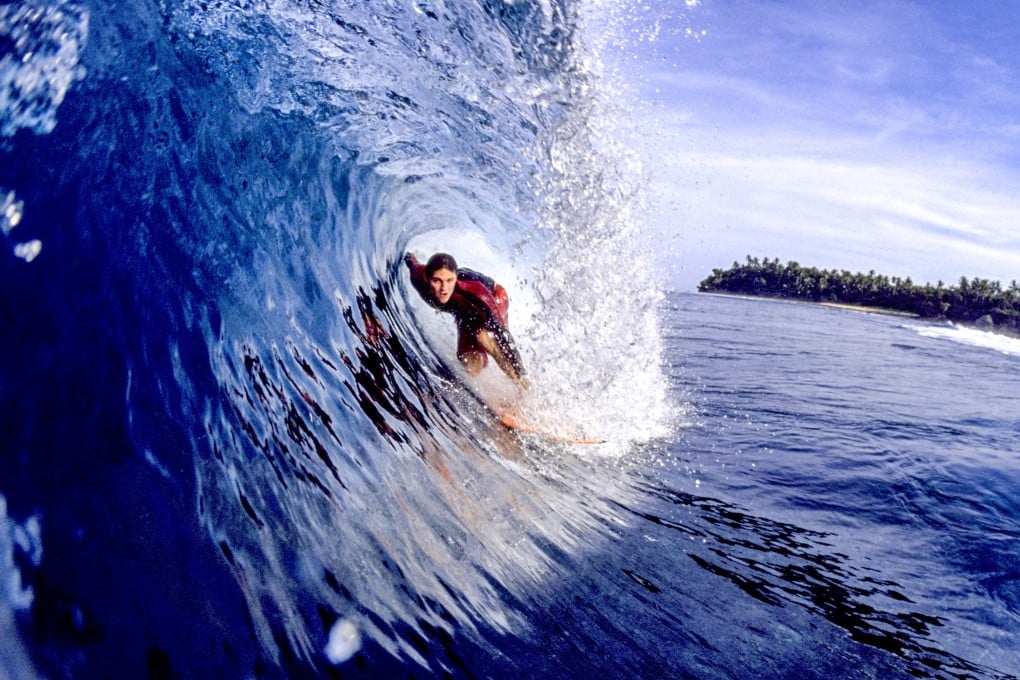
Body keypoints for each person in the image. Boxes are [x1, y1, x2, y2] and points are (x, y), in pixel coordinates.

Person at [404, 252, 527, 385]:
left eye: (449, 280)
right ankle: (482, 379)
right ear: (427, 278)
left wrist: (520, 371)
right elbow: (411, 260)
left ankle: (521, 383)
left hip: (494, 297)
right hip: (464, 311)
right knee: (469, 362)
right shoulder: (418, 277)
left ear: (455, 278)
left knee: (483, 337)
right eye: (437, 281)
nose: (444, 288)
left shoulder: (475, 293)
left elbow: (503, 334)